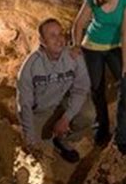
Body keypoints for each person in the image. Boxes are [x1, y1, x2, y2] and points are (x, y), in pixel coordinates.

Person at [72, 0, 126, 154]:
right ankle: (102, 128)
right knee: (97, 88)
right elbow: (78, 25)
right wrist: (76, 45)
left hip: (116, 46)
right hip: (92, 47)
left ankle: (123, 136)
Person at [17, 18, 95, 163]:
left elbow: (81, 89)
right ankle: (49, 138)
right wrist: (30, 137)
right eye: (52, 36)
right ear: (43, 41)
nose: (59, 39)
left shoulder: (74, 57)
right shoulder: (30, 67)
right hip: (41, 111)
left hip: (62, 104)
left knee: (89, 114)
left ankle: (62, 139)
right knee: (38, 148)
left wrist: (66, 118)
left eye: (60, 34)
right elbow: (24, 105)